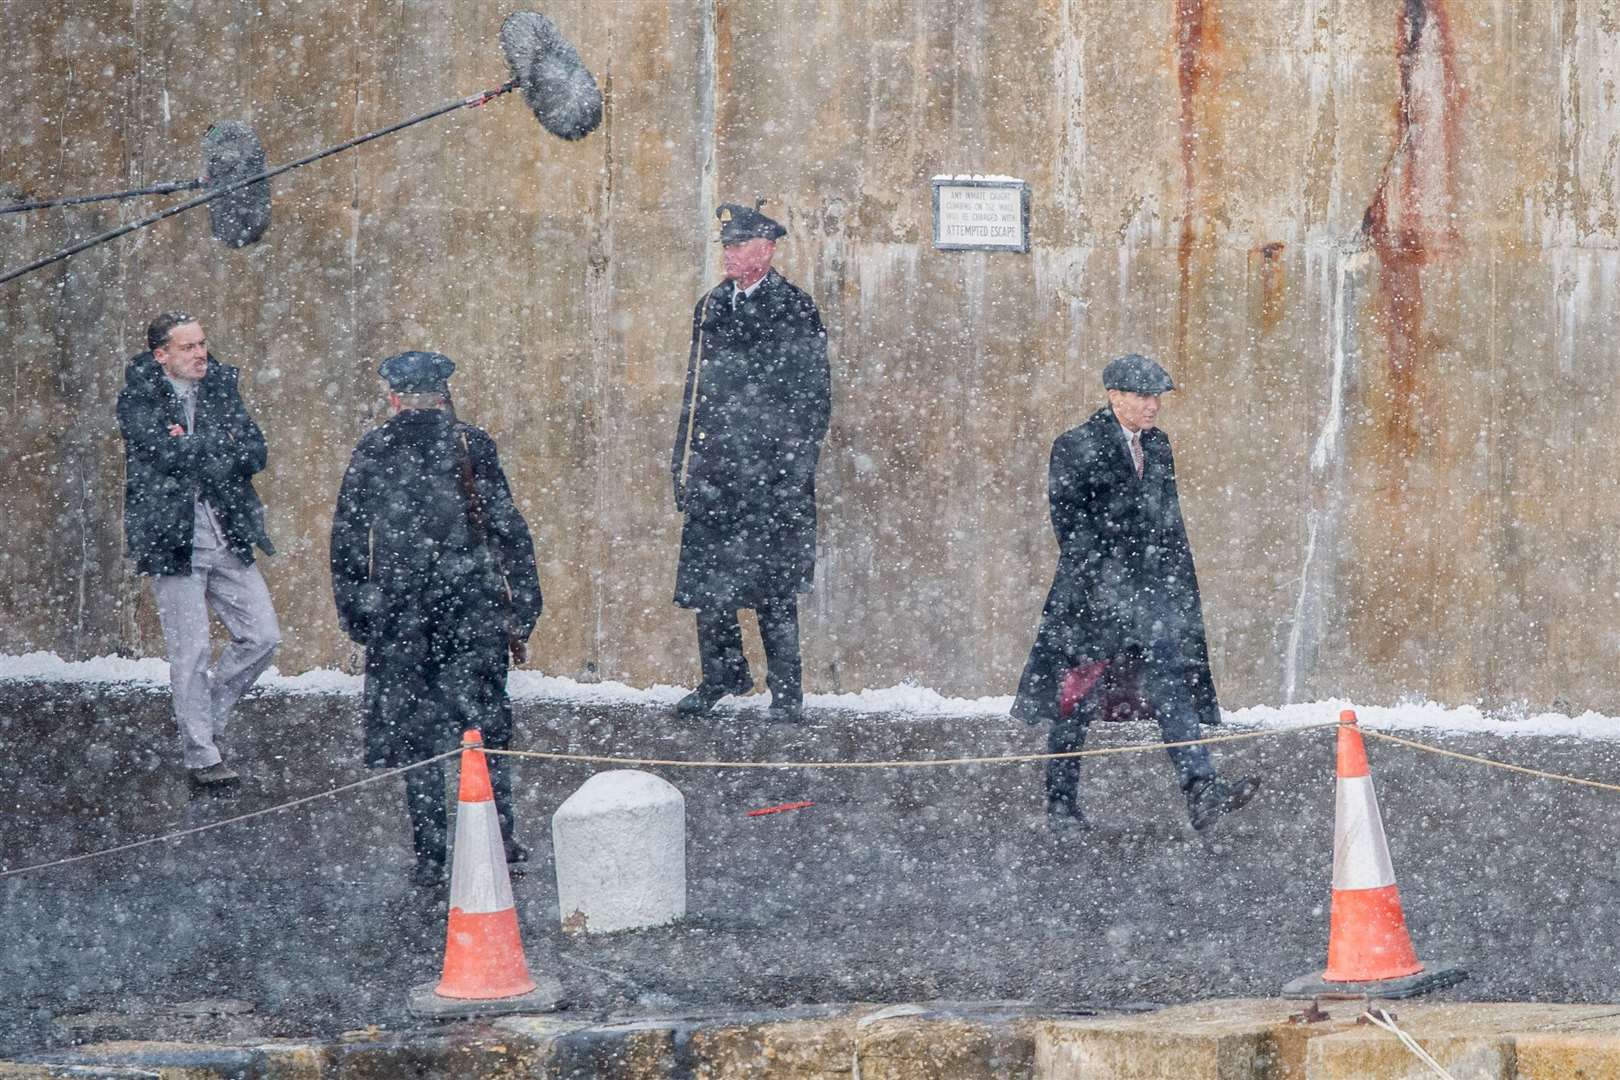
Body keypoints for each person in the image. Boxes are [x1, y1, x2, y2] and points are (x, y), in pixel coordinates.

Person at [1012, 353, 1260, 832]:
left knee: (1171, 687)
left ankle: (1201, 790)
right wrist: (1109, 584)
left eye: (1157, 397)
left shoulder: (1159, 447)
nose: (1153, 406)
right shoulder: (1075, 446)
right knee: (1076, 702)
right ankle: (1061, 803)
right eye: (1144, 396)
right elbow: (1070, 526)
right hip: (1092, 602)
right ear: (1114, 396)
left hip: (1151, 598)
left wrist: (1174, 584)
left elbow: (1169, 523)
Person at [330, 351, 541, 888]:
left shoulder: (374, 449)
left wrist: (357, 608)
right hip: (471, 607)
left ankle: (430, 851)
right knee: (485, 722)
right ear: (445, 394)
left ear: (394, 397)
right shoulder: (471, 444)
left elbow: (349, 539)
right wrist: (524, 601)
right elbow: (507, 524)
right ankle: (499, 835)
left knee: (416, 734)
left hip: (402, 613)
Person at [670, 202, 831, 723]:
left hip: (770, 476)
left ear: (766, 250)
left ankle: (787, 693)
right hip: (717, 469)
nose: (728, 255)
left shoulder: (794, 307)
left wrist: (790, 471)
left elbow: (813, 400)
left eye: (738, 246)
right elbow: (697, 390)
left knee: (773, 588)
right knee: (709, 586)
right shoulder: (713, 304)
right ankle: (721, 675)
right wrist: (688, 463)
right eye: (725, 246)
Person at [117, 311, 280, 789]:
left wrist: (196, 443)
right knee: (191, 652)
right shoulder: (138, 399)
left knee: (263, 636)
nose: (200, 353)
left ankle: (202, 719)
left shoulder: (223, 388)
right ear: (161, 354)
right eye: (187, 347)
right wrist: (213, 446)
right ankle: (202, 757)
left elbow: (256, 453)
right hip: (173, 540)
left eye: (202, 344)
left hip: (226, 530)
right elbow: (162, 455)